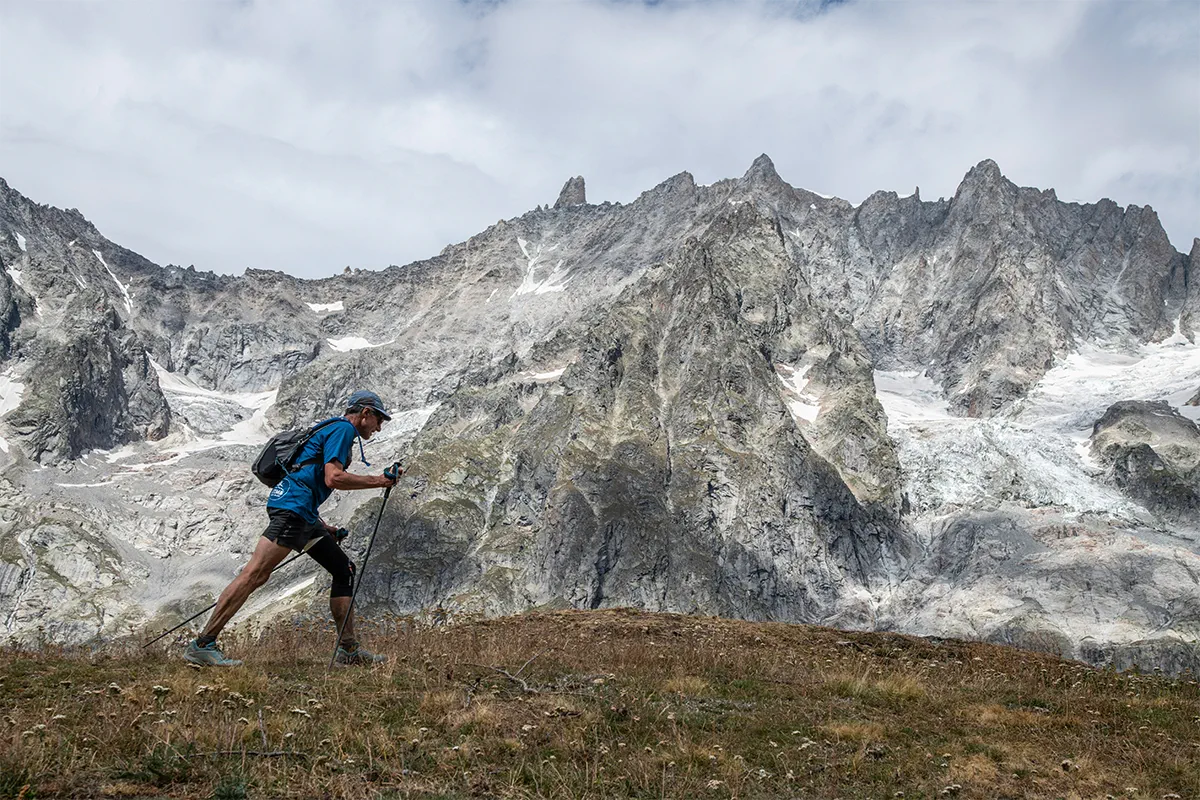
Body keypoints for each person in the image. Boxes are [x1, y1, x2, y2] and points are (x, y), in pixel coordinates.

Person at [184, 390, 401, 667]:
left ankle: (348, 650)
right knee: (256, 574)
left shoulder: (332, 428)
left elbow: (308, 477)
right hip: (293, 510)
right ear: (365, 413)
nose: (379, 427)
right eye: (378, 420)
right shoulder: (344, 429)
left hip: (303, 512)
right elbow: (333, 477)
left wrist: (323, 527)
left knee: (343, 569)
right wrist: (379, 481)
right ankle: (203, 644)